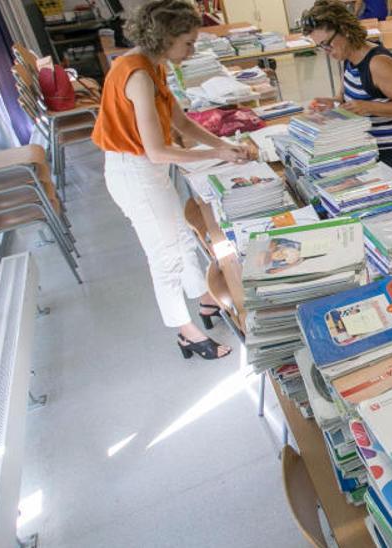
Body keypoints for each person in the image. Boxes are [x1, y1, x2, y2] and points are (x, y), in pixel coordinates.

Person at [91, 0, 255, 360]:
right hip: (134, 172)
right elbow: (157, 151)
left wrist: (223, 145)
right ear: (164, 39)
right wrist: (215, 154)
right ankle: (186, 331)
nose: (192, 50)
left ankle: (206, 300)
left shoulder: (153, 66)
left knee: (181, 238)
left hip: (146, 170)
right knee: (165, 256)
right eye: (188, 43)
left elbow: (180, 123)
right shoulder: (136, 76)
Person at [302, 0, 392, 191]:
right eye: (321, 47)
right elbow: (347, 98)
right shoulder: (348, 58)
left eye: (327, 44)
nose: (327, 52)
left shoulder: (377, 63)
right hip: (370, 155)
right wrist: (333, 103)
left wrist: (369, 107)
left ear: (344, 30)